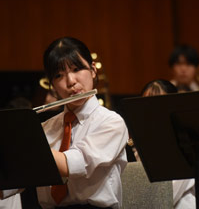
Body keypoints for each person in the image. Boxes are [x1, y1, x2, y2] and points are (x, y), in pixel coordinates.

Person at [0, 37, 128, 208]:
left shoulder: (112, 122)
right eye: (59, 75)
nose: (71, 81)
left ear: (92, 70)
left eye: (76, 69)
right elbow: (20, 177)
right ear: (52, 84)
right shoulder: (45, 128)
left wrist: (28, 144)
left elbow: (75, 163)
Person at [139, 80, 199, 209]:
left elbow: (165, 197)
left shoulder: (187, 145)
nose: (152, 112)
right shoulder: (142, 143)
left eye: (159, 105)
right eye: (146, 105)